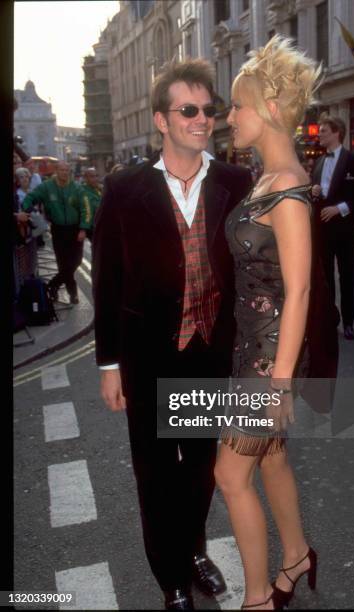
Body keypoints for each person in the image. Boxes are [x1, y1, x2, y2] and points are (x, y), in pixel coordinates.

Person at [92, 58, 253, 610]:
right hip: (149, 356)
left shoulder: (236, 181)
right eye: (189, 110)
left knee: (203, 470)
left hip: (210, 353)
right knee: (157, 475)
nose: (202, 119)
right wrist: (108, 364)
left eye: (208, 110)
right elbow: (108, 281)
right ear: (161, 120)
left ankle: (190, 550)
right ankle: (171, 580)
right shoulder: (123, 188)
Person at [214, 34, 324, 611]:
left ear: (271, 110)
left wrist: (279, 383)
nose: (228, 116)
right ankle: (298, 553)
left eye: (237, 105)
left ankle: (256, 600)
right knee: (271, 456)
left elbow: (301, 288)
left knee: (230, 477)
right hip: (249, 347)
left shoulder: (286, 189)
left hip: (268, 359)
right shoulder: (263, 180)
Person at [311, 117, 354, 340]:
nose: (319, 135)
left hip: (346, 230)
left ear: (337, 133)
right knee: (325, 279)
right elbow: (313, 192)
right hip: (323, 230)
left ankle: (348, 323)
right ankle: (330, 320)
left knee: (347, 277)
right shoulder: (318, 162)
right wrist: (313, 191)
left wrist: (340, 208)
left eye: (324, 131)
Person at [22, 161, 91, 304]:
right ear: (56, 171)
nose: (64, 173)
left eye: (67, 170)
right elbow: (31, 196)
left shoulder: (77, 188)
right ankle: (73, 294)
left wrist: (83, 228)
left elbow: (86, 209)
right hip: (58, 230)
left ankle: (53, 285)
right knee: (63, 263)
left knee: (76, 262)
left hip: (75, 229)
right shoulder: (47, 187)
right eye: (61, 170)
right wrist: (26, 208)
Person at [81, 167, 102, 242]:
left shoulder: (99, 190)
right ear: (85, 178)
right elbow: (86, 211)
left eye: (96, 176)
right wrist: (83, 229)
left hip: (102, 225)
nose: (95, 179)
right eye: (92, 176)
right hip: (93, 228)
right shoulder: (83, 192)